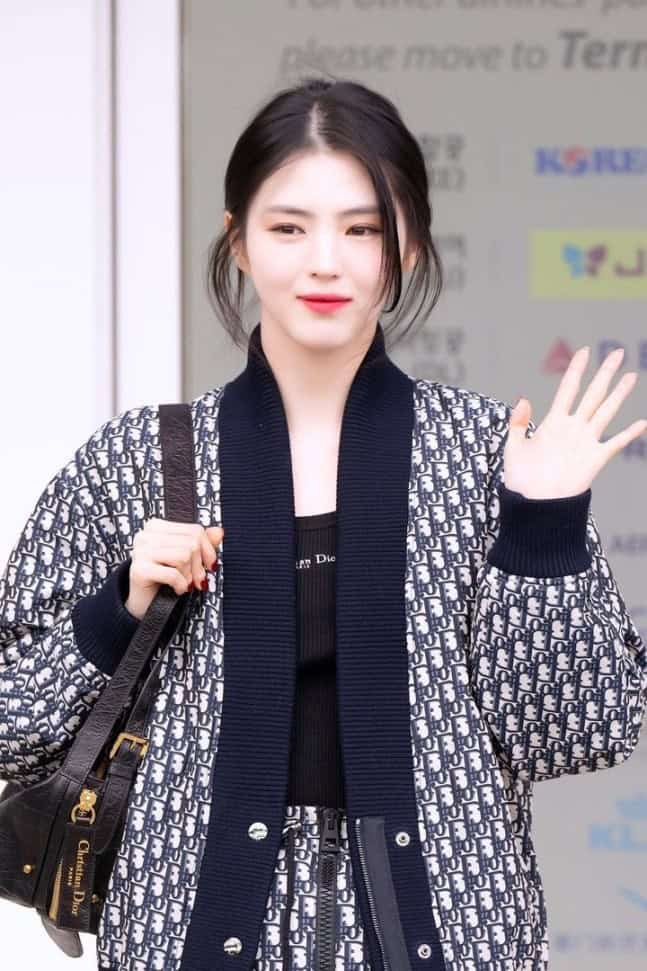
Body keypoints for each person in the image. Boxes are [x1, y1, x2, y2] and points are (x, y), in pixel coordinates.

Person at [1, 75, 646, 971]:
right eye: (288, 227)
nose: (325, 262)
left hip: (452, 932)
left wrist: (543, 523)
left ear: (408, 245)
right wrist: (121, 605)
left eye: (362, 229)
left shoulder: (486, 454)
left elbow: (574, 732)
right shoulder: (139, 461)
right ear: (237, 241)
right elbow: (12, 723)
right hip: (182, 931)